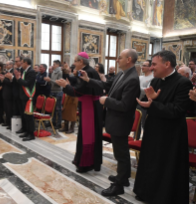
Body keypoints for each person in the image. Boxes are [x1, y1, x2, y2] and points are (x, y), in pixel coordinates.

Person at [134, 50, 192, 204]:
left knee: (165, 167)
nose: (151, 67)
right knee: (150, 162)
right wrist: (150, 101)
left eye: (154, 64)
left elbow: (177, 110)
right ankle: (146, 193)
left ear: (167, 64)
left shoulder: (183, 83)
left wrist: (153, 103)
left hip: (171, 134)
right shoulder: (157, 80)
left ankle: (162, 200)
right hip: (153, 129)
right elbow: (147, 101)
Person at [79, 49, 140, 196]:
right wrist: (89, 80)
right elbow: (107, 86)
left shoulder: (132, 79)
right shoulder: (122, 74)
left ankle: (119, 185)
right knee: (119, 152)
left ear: (129, 59)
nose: (117, 60)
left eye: (120, 57)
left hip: (121, 122)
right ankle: (123, 177)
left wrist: (107, 100)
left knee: (121, 154)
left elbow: (125, 105)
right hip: (114, 120)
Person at [56, 52, 104, 173]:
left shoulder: (89, 72)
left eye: (75, 61)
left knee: (88, 136)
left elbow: (79, 91)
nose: (73, 63)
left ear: (81, 62)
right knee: (84, 135)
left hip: (90, 107)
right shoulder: (85, 70)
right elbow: (77, 82)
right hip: (87, 105)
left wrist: (66, 86)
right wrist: (67, 77)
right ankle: (82, 160)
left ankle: (86, 164)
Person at [14, 58, 36, 141]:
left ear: (26, 63)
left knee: (29, 116)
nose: (21, 64)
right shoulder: (25, 71)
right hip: (23, 96)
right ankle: (27, 131)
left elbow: (27, 83)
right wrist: (18, 78)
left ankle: (31, 134)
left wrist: (19, 78)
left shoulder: (31, 71)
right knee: (25, 116)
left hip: (28, 96)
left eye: (22, 62)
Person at [136, 60, 154, 138]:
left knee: (144, 123)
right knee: (136, 124)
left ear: (150, 67)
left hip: (145, 103)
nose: (142, 67)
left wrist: (136, 87)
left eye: (144, 65)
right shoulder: (140, 77)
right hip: (137, 101)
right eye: (142, 65)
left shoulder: (153, 78)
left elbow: (147, 90)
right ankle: (136, 138)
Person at [60, 64, 78, 134]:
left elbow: (69, 78)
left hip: (74, 97)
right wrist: (65, 71)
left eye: (75, 70)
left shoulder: (77, 78)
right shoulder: (72, 77)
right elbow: (66, 78)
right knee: (65, 111)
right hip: (68, 95)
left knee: (72, 113)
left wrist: (66, 72)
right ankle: (66, 126)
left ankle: (72, 128)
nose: (74, 71)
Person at [45, 60, 63, 129]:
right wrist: (48, 81)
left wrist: (50, 80)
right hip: (52, 91)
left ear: (58, 65)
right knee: (53, 109)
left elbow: (58, 83)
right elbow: (52, 83)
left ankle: (59, 123)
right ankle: (53, 122)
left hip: (58, 92)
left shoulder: (60, 72)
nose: (53, 65)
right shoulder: (53, 72)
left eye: (54, 64)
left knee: (58, 109)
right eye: (53, 64)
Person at [0, 61, 14, 129]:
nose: (6, 66)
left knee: (9, 109)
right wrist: (2, 79)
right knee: (6, 109)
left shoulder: (12, 72)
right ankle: (7, 122)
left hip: (9, 93)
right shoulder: (5, 72)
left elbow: (11, 83)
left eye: (7, 65)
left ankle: (11, 124)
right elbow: (4, 83)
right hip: (5, 92)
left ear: (11, 65)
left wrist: (3, 79)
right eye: (6, 65)